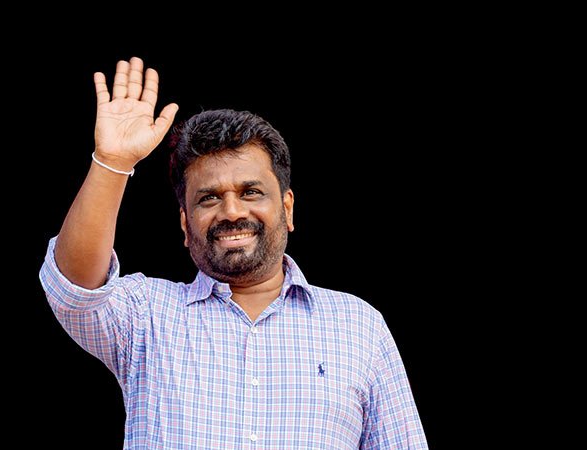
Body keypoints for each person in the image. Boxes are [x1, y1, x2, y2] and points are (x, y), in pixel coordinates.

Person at [39, 56, 428, 449]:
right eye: (209, 198)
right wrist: (112, 163)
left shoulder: (358, 326)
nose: (231, 212)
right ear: (185, 224)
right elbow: (74, 290)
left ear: (288, 208)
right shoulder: (145, 316)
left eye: (251, 192)